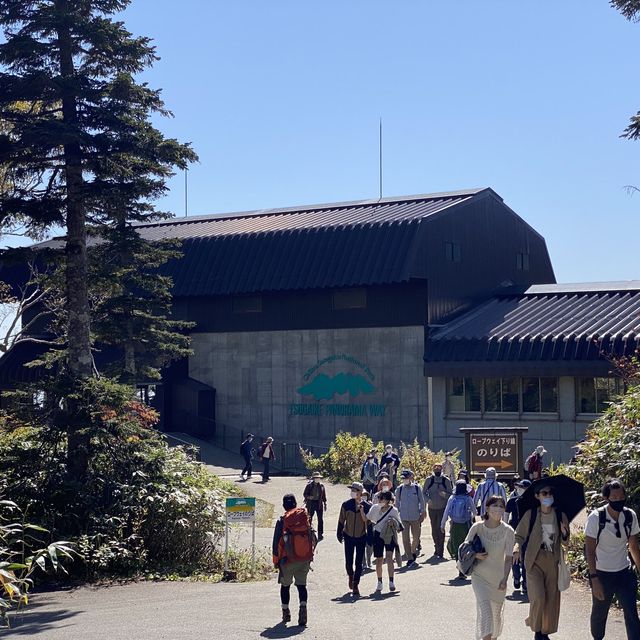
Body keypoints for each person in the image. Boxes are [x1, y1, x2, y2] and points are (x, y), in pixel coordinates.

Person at [585, 478, 640, 640]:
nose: (618, 500)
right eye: (614, 498)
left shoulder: (630, 516)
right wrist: (594, 578)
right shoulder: (596, 517)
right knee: (599, 614)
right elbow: (589, 550)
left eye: (620, 497)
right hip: (602, 574)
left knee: (631, 613)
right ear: (606, 498)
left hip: (624, 572)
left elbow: (634, 547)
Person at [513, 483, 570, 640]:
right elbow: (519, 535)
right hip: (534, 561)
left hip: (552, 560)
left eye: (550, 493)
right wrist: (517, 548)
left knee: (551, 599)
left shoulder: (560, 515)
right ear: (537, 496)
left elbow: (566, 542)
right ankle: (537, 630)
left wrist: (565, 534)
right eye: (544, 493)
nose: (548, 496)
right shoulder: (531, 515)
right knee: (538, 597)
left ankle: (544, 631)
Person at [464, 495, 515, 640]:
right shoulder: (477, 527)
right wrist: (475, 555)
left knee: (495, 619)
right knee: (486, 615)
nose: (498, 509)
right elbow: (464, 549)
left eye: (501, 506)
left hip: (498, 579)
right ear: (487, 508)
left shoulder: (508, 531)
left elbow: (509, 558)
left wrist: (505, 579)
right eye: (495, 505)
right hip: (479, 577)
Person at [272, 494, 313, 627]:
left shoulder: (282, 520)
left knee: (285, 586)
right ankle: (303, 610)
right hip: (304, 558)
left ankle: (286, 612)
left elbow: (276, 543)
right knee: (302, 586)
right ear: (295, 504)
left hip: (287, 559)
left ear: (284, 506)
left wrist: (276, 561)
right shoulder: (304, 517)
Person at [337, 481, 370, 596]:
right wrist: (339, 533)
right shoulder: (346, 505)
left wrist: (370, 537)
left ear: (360, 493)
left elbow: (369, 523)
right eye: (352, 490)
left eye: (355, 490)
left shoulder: (366, 506)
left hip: (361, 537)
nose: (352, 492)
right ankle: (350, 575)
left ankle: (356, 584)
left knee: (359, 562)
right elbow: (341, 520)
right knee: (348, 562)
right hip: (348, 536)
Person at [367, 489, 403, 593]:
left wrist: (393, 522)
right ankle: (379, 582)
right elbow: (367, 519)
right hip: (378, 534)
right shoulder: (375, 508)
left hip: (389, 535)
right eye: (379, 498)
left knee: (389, 558)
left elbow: (400, 526)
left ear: (387, 500)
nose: (379, 500)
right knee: (379, 560)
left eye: (381, 498)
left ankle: (391, 582)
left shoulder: (393, 510)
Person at [441, 480, 476, 578]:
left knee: (456, 546)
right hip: (465, 525)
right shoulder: (468, 498)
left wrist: (442, 525)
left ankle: (460, 568)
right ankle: (464, 567)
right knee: (465, 546)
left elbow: (446, 511)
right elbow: (474, 511)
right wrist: (472, 516)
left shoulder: (452, 498)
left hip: (454, 525)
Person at [395, 469, 425, 566]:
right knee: (405, 539)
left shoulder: (416, 488)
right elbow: (397, 504)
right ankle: (410, 557)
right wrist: (396, 517)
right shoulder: (399, 489)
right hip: (403, 517)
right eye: (403, 478)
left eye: (406, 478)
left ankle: (413, 551)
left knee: (416, 537)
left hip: (415, 517)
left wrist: (422, 512)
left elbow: (422, 501)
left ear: (410, 477)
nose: (405, 480)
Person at [505, 478, 531, 592]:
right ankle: (521, 580)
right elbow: (506, 515)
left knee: (520, 557)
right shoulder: (531, 502)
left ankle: (521, 580)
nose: (519, 489)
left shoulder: (514, 501)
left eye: (522, 487)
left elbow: (506, 517)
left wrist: (506, 528)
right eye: (519, 487)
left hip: (521, 533)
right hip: (518, 533)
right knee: (520, 556)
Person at [423, 463, 453, 558]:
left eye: (439, 469)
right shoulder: (429, 480)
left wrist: (444, 495)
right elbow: (423, 493)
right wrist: (428, 500)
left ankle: (440, 550)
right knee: (434, 529)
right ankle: (436, 546)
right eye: (435, 469)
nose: (437, 471)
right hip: (432, 508)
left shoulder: (446, 480)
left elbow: (451, 495)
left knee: (441, 528)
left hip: (442, 508)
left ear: (442, 470)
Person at [303, 472, 327, 541]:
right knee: (309, 518)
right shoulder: (309, 485)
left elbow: (324, 495)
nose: (317, 479)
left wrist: (325, 503)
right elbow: (305, 494)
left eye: (318, 478)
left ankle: (320, 534)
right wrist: (309, 497)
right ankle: (309, 532)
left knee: (320, 519)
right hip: (311, 504)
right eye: (316, 478)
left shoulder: (322, 486)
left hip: (319, 503)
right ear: (313, 478)